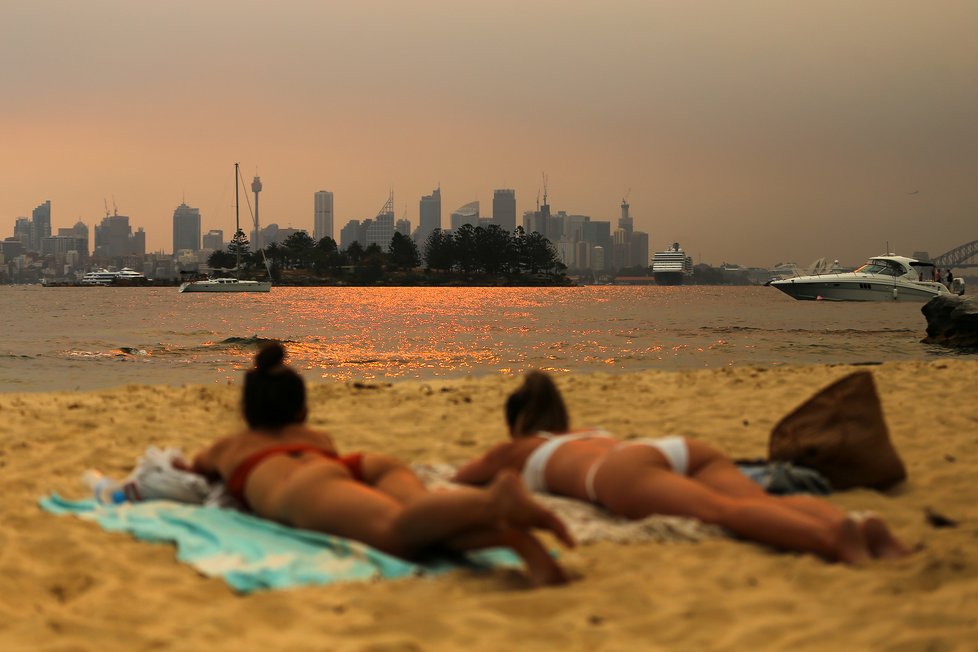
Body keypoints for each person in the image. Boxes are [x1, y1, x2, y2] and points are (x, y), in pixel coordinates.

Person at [182, 344, 574, 586]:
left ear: (247, 410)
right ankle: (516, 540)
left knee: (394, 534)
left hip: (301, 484)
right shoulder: (318, 438)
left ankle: (494, 502)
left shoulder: (230, 446)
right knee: (421, 520)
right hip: (361, 464)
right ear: (302, 409)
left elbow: (192, 468)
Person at [454, 371, 912, 564]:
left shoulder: (516, 449)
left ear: (518, 421)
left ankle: (833, 540)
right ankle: (858, 524)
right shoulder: (586, 431)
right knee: (751, 498)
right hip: (668, 448)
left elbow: (461, 479)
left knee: (722, 512)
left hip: (618, 474)